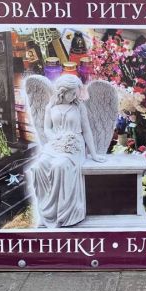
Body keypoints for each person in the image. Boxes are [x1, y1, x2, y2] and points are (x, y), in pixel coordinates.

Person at [27, 75, 104, 228]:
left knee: (60, 166)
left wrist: (94, 154)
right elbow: (47, 129)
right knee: (39, 166)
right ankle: (48, 212)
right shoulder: (50, 107)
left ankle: (64, 213)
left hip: (74, 144)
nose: (75, 96)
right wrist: (56, 138)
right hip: (55, 144)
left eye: (76, 93)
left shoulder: (79, 107)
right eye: (72, 93)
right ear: (63, 92)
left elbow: (87, 130)